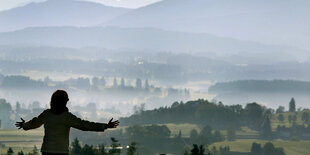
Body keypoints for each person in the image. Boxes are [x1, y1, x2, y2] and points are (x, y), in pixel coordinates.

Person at [15, 89, 120, 155]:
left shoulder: (46, 114)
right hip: (62, 151)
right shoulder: (67, 117)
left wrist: (24, 125)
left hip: (47, 151)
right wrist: (105, 126)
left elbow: (34, 123)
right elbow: (85, 125)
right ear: (64, 102)